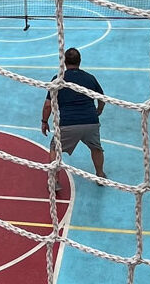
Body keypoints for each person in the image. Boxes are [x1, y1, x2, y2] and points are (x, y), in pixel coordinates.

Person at [41, 48, 105, 192]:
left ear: (64, 62)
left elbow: (47, 105)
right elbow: (102, 99)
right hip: (90, 121)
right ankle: (100, 175)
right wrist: (98, 110)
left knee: (55, 149)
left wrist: (44, 121)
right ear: (80, 61)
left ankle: (55, 181)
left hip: (68, 124)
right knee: (96, 148)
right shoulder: (90, 78)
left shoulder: (58, 80)